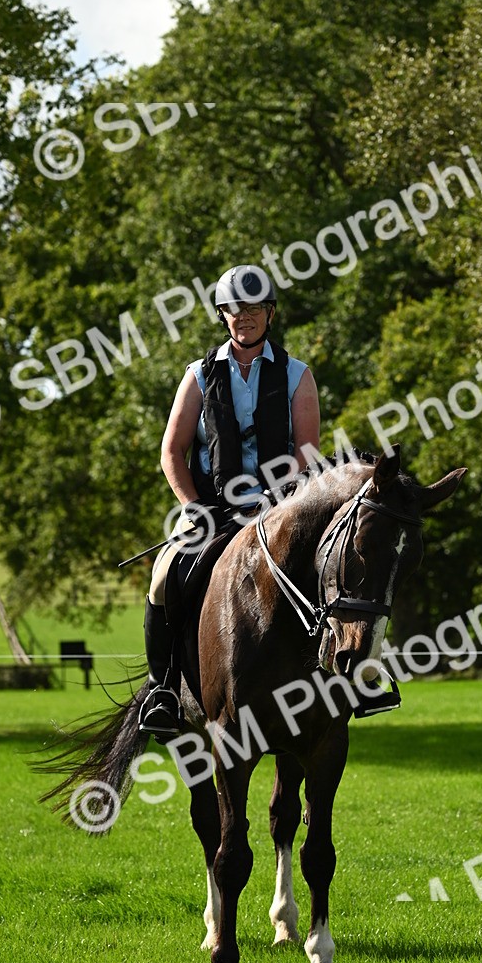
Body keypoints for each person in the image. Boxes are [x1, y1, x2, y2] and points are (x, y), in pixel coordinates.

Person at [138, 265, 320, 737]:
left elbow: (306, 452)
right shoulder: (198, 375)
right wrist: (193, 506)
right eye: (235, 309)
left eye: (255, 308)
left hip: (280, 508)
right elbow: (172, 451)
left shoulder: (298, 375)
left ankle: (353, 678)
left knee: (335, 568)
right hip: (210, 510)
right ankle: (162, 690)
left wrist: (278, 503)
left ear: (270, 314)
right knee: (162, 578)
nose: (245, 317)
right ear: (223, 315)